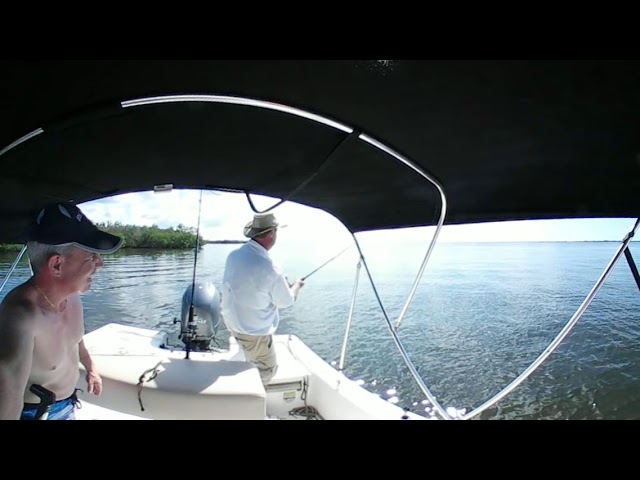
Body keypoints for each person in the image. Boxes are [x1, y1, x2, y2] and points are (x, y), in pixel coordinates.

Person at [0, 201, 123, 420]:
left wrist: (91, 367)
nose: (100, 264)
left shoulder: (72, 296)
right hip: (35, 414)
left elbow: (76, 340)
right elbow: (9, 389)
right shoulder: (21, 315)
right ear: (57, 265)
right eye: (92, 256)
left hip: (70, 404)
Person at [221, 212, 304, 385]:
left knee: (251, 355)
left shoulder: (233, 256)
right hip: (253, 333)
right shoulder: (271, 267)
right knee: (268, 369)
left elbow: (251, 287)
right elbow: (287, 301)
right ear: (271, 233)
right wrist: (296, 286)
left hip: (232, 323)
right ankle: (250, 405)